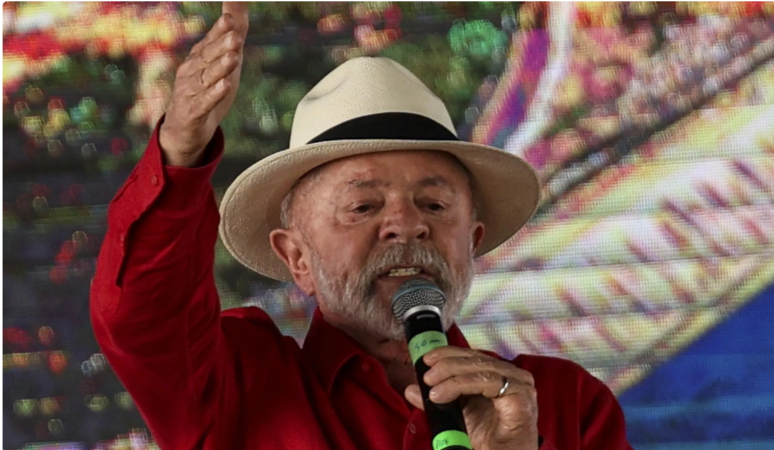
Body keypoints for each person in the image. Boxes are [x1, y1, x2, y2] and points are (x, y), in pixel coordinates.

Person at [90, 4, 632, 450]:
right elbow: (144, 318)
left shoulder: (563, 406)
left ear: (473, 242)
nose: (407, 225)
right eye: (363, 206)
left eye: (434, 205)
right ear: (296, 258)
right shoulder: (241, 385)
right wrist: (181, 149)